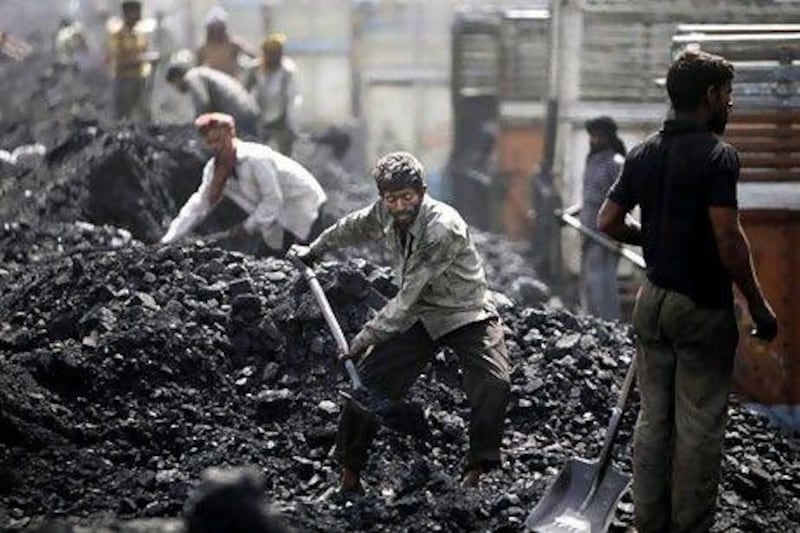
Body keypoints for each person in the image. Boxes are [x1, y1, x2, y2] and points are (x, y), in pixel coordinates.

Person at [598, 49, 778, 532]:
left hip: (652, 300)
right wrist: (759, 306)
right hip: (700, 305)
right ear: (710, 96)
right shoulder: (719, 158)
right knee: (698, 428)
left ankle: (649, 524)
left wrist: (655, 238)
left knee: (653, 421)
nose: (732, 105)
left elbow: (608, 221)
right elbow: (727, 238)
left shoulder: (643, 152)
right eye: (728, 95)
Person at [291, 151, 511, 491]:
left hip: (466, 311)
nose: (399, 206)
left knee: (494, 384)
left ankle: (475, 472)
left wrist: (363, 338)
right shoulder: (385, 211)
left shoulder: (442, 228)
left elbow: (406, 300)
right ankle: (349, 477)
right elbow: (353, 226)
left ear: (421, 192)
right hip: (423, 314)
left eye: (406, 197)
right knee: (367, 384)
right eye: (391, 199)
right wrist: (316, 250)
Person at [161, 113, 326, 254]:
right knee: (279, 256)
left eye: (219, 140)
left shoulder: (255, 158)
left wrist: (247, 227)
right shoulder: (215, 169)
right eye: (210, 142)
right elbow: (199, 204)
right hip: (277, 215)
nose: (216, 147)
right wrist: (169, 239)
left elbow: (272, 199)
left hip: (304, 203)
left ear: (231, 134)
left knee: (306, 257)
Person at [579, 116, 626, 320]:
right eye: (592, 136)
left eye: (598, 135)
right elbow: (589, 198)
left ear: (608, 137)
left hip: (604, 235)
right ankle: (592, 326)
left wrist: (613, 231)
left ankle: (609, 326)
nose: (594, 140)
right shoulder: (592, 162)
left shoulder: (616, 164)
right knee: (590, 284)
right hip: (587, 232)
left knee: (603, 284)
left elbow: (621, 203)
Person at [165, 61, 260, 136]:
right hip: (247, 110)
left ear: (177, 78)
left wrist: (197, 127)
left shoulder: (192, 76)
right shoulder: (203, 73)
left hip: (239, 115)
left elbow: (203, 102)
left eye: (174, 84)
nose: (176, 88)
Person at [244, 33, 301, 155]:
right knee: (258, 154)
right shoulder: (255, 68)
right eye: (270, 53)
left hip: (282, 119)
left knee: (286, 156)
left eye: (276, 53)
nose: (273, 57)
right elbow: (243, 92)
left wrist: (292, 125)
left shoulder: (287, 71)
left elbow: (292, 97)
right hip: (260, 116)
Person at [107, 1, 156, 121]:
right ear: (128, 13)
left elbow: (144, 51)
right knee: (123, 116)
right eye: (136, 11)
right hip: (124, 80)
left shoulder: (139, 34)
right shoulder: (118, 35)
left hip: (140, 79)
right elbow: (118, 59)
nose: (139, 15)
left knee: (145, 115)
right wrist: (142, 59)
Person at [196, 6, 256, 79]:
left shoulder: (233, 43)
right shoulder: (203, 49)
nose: (216, 31)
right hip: (213, 85)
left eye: (219, 27)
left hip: (232, 84)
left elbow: (254, 55)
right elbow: (197, 70)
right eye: (213, 27)